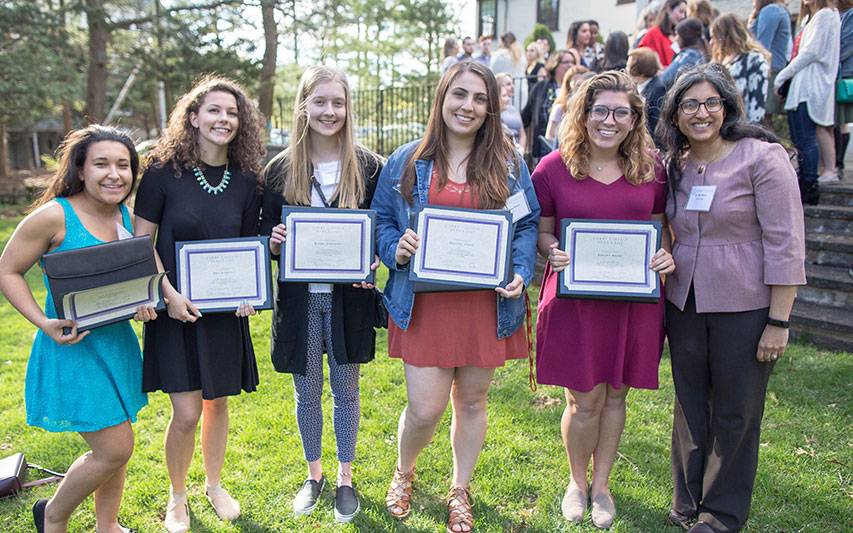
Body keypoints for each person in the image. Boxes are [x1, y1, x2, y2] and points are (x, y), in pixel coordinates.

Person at [372, 60, 540, 533]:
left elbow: (525, 224)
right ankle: (405, 471)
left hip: (484, 305)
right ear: (442, 97)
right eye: (459, 95)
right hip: (425, 305)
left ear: (491, 108)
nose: (468, 106)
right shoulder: (407, 160)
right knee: (425, 409)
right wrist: (395, 248)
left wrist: (520, 270)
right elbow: (381, 221)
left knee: (472, 401)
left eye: (480, 98)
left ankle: (459, 488)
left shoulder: (507, 164)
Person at [657, 63, 805, 533]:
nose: (700, 113)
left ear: (727, 107)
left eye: (710, 103)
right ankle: (686, 501)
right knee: (689, 402)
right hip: (686, 303)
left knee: (735, 409)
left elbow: (785, 242)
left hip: (745, 305)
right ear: (676, 114)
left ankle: (720, 514)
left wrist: (778, 321)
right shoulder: (674, 165)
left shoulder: (762, 157)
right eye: (689, 104)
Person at [532, 71, 674, 529]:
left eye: (620, 112)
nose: (609, 120)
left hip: (633, 303)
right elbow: (543, 231)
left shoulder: (652, 170)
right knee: (583, 401)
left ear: (634, 119)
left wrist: (665, 255)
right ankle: (577, 482)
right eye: (600, 110)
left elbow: (660, 229)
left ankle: (603, 485)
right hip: (577, 302)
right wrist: (552, 250)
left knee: (616, 395)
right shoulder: (553, 168)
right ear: (584, 114)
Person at [0, 125, 156, 533]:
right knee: (115, 449)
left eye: (124, 165)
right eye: (101, 163)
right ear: (81, 169)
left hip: (117, 347)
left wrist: (144, 301)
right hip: (74, 350)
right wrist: (44, 322)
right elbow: (8, 270)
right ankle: (51, 515)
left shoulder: (127, 215)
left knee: (118, 449)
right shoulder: (55, 215)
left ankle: (108, 526)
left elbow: (135, 277)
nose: (114, 174)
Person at [134, 75, 266, 533]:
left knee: (218, 403)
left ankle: (214, 485)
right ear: (193, 117)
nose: (223, 119)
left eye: (232, 113)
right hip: (175, 309)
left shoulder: (249, 179)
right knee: (186, 412)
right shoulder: (160, 171)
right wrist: (166, 293)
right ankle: (177, 495)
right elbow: (140, 241)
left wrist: (250, 294)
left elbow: (250, 244)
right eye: (213, 110)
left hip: (224, 314)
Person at [259, 66, 383, 523]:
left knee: (346, 390)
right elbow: (262, 237)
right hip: (300, 300)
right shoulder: (279, 170)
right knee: (307, 391)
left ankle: (345, 476)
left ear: (349, 108)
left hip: (348, 298)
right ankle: (314, 473)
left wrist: (374, 257)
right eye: (320, 102)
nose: (329, 111)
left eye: (338, 102)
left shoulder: (369, 167)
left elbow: (382, 230)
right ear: (303, 106)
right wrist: (272, 244)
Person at [774, 0, 841, 203]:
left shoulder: (826, 15)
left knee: (806, 138)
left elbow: (810, 53)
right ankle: (807, 180)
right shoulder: (809, 18)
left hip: (810, 86)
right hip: (801, 86)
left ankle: (809, 184)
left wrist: (782, 76)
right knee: (801, 138)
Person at [710, 13, 770, 124]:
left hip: (742, 130)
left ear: (726, 35)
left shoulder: (753, 60)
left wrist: (752, 134)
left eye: (714, 37)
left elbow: (757, 104)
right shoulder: (720, 62)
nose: (711, 42)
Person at [749, 0, 793, 134]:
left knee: (763, 121)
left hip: (768, 71)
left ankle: (775, 154)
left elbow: (762, 46)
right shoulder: (778, 10)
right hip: (772, 69)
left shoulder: (772, 10)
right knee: (764, 121)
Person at [523, 50, 575, 159]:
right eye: (566, 62)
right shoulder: (540, 88)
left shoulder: (575, 90)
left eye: (572, 62)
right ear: (555, 64)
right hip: (543, 147)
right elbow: (526, 116)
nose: (570, 65)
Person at [627, 47, 666, 147]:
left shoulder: (657, 88)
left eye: (629, 65)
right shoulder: (636, 85)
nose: (627, 68)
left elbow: (656, 122)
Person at [545, 65, 591, 143]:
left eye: (582, 82)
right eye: (575, 82)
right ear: (568, 84)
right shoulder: (560, 108)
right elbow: (549, 135)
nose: (578, 85)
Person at [834, 0, 853, 179]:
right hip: (838, 73)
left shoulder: (850, 15)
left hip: (845, 74)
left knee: (841, 119)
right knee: (840, 120)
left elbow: (846, 45)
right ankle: (837, 163)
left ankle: (838, 164)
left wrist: (830, 57)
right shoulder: (834, 16)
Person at [661, 17, 709, 88]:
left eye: (677, 34)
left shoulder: (689, 55)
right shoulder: (700, 52)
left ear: (685, 36)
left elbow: (665, 79)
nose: (676, 38)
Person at [639, 0, 688, 68]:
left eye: (684, 13)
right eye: (680, 11)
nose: (683, 16)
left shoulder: (678, 34)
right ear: (669, 10)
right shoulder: (652, 33)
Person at [497, 72, 528, 149]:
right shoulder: (496, 110)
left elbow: (522, 133)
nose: (512, 87)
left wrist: (522, 148)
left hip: (518, 148)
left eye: (512, 83)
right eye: (508, 84)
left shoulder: (513, 109)